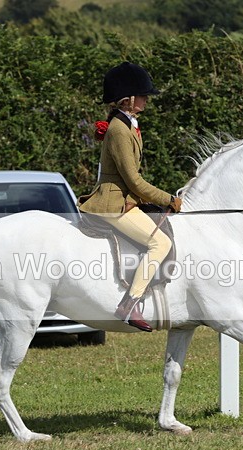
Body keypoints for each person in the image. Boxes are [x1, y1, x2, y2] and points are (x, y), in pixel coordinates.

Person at [78, 62, 182, 332]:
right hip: (112, 203)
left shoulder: (129, 125)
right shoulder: (118, 130)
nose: (147, 100)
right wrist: (167, 199)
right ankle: (129, 303)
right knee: (160, 243)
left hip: (125, 198)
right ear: (129, 99)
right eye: (143, 96)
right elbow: (134, 179)